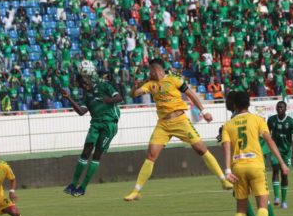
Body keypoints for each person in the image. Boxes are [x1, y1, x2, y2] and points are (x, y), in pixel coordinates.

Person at [123, 58, 233, 201]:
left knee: (201, 149)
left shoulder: (174, 80)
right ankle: (136, 191)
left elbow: (191, 95)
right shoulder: (150, 85)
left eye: (149, 70)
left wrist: (203, 111)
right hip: (163, 125)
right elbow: (134, 94)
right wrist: (134, 86)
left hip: (181, 121)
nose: (148, 73)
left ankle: (223, 180)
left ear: (156, 69)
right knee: (151, 155)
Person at [221, 91, 289, 216]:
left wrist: (227, 170)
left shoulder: (228, 125)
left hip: (238, 168)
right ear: (249, 104)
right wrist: (281, 163)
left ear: (234, 105)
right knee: (263, 204)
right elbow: (269, 141)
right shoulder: (258, 119)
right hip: (256, 166)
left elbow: (226, 147)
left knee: (241, 208)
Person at [63, 65, 123, 197]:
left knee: (97, 155)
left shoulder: (104, 86)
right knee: (86, 151)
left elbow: (119, 98)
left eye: (84, 83)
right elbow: (81, 111)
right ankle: (73, 184)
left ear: (89, 78)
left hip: (109, 125)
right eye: (81, 86)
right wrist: (68, 98)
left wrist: (108, 100)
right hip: (95, 124)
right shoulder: (87, 96)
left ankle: (82, 187)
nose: (84, 86)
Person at [267, 101, 293, 209]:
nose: (279, 109)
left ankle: (284, 201)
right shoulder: (271, 120)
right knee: (275, 169)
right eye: (278, 107)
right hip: (275, 150)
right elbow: (267, 134)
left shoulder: (291, 122)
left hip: (286, 152)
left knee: (284, 174)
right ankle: (276, 197)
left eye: (281, 107)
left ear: (285, 109)